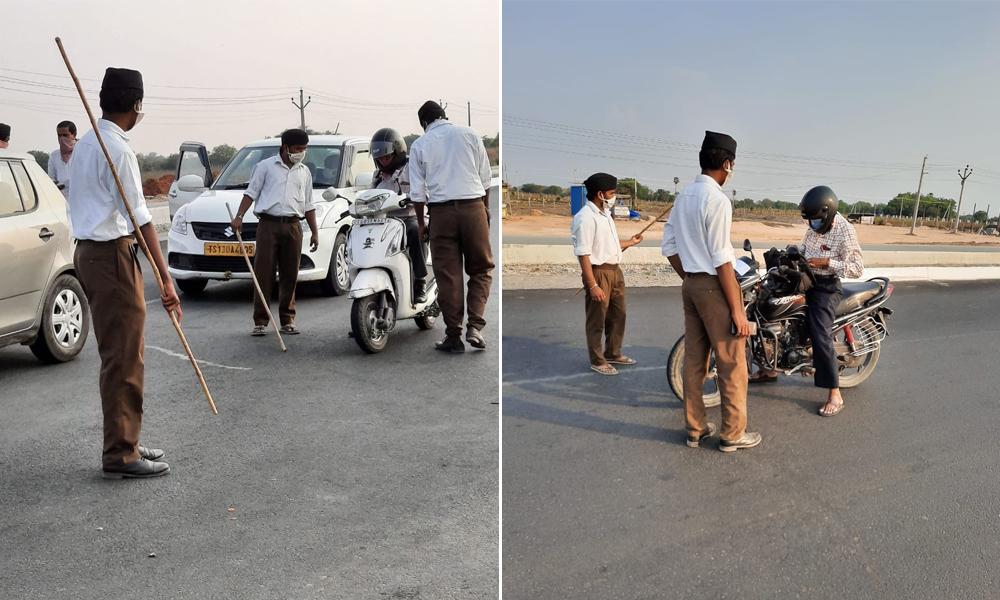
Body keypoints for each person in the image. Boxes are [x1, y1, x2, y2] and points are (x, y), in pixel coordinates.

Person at [69, 67, 176, 479]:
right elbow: (141, 218)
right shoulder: (116, 149)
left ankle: (126, 438)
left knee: (123, 352)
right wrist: (166, 281)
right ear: (136, 104)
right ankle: (120, 453)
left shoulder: (87, 144)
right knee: (123, 356)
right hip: (110, 255)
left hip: (94, 254)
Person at [661, 131, 761, 452]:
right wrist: (737, 311)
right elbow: (721, 258)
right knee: (732, 363)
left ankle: (695, 429)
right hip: (712, 285)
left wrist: (690, 277)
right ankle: (732, 434)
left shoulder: (683, 197)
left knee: (694, 361)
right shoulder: (717, 200)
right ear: (727, 164)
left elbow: (669, 246)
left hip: (690, 283)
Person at [749, 186, 863, 417]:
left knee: (820, 332)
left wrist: (826, 263)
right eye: (810, 221)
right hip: (805, 280)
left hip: (826, 286)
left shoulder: (845, 231)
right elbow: (805, 249)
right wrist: (793, 251)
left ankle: (834, 393)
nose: (812, 226)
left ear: (828, 214)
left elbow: (857, 268)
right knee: (767, 307)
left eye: (816, 221)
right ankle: (768, 369)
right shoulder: (815, 224)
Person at [409, 100, 493, 353]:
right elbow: (485, 177)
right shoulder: (470, 133)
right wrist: (485, 208)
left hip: (441, 213)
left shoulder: (420, 144)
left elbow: (417, 191)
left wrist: (422, 222)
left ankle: (454, 336)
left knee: (448, 276)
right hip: (473, 208)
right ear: (444, 116)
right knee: (480, 269)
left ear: (424, 122)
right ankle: (475, 327)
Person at [231, 128, 318, 336]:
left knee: (290, 274)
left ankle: (287, 320)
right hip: (268, 226)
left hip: (294, 226)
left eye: (304, 149)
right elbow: (250, 193)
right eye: (298, 149)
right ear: (285, 147)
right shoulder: (265, 167)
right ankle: (260, 321)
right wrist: (239, 216)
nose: (301, 153)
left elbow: (308, 205)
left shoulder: (304, 172)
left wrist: (314, 232)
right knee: (264, 273)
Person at [570, 172, 643, 375]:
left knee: (618, 315)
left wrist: (631, 242)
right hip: (598, 273)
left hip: (614, 271)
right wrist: (592, 284)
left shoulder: (605, 215)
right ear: (600, 194)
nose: (613, 197)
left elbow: (609, 246)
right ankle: (598, 360)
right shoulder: (585, 218)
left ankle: (613, 352)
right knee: (597, 319)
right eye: (611, 193)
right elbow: (583, 253)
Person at [370, 127, 427, 303]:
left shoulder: (412, 168)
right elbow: (371, 195)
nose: (383, 161)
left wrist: (413, 199)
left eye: (386, 157)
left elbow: (427, 189)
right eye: (379, 158)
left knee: (415, 230)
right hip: (386, 220)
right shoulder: (378, 176)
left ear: (398, 152)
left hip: (411, 215)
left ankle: (420, 281)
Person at [49, 120, 77, 229]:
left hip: (80, 201)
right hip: (62, 202)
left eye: (65, 135)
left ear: (74, 135)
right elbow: (51, 180)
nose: (62, 139)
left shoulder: (82, 152)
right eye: (59, 135)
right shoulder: (54, 155)